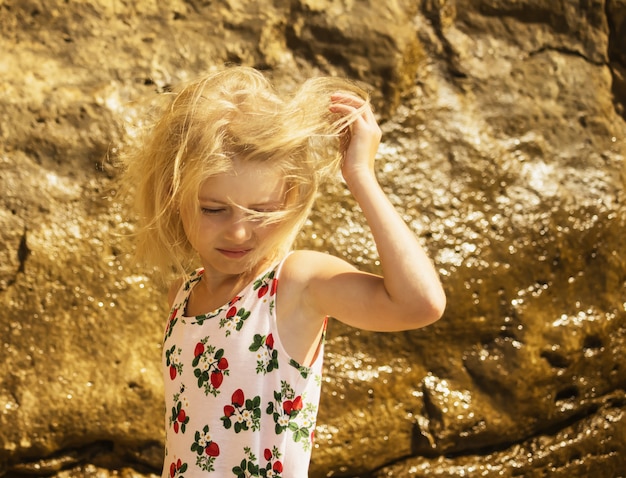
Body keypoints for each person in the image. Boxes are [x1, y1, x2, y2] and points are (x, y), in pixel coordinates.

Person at [120, 65, 445, 477]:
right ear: (173, 196)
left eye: (262, 210)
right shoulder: (181, 298)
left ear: (290, 199)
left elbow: (421, 304)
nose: (239, 230)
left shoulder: (293, 285)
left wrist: (361, 176)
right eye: (214, 209)